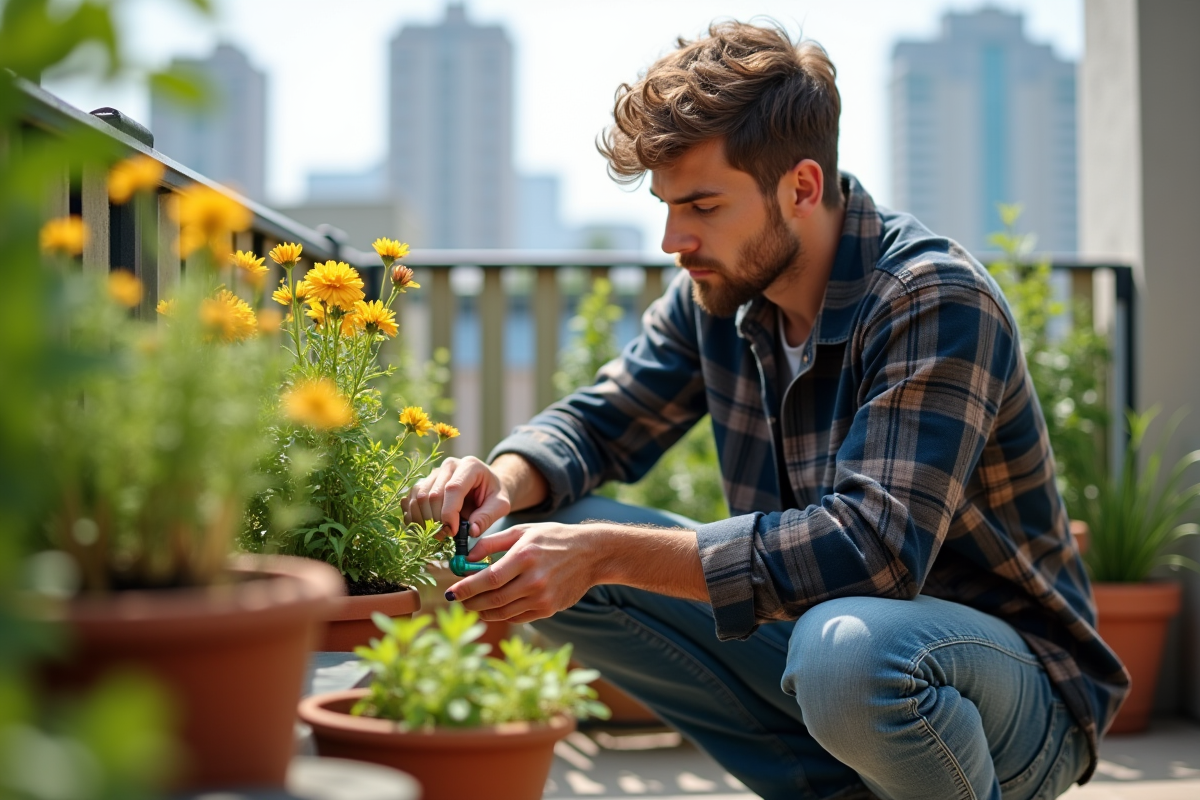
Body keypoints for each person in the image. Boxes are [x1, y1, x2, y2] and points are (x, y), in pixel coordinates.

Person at [402, 20, 1128, 800]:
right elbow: (600, 421)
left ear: (802, 188)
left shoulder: (930, 297)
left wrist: (604, 552)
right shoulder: (716, 296)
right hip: (833, 672)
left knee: (847, 652)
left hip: (1009, 697)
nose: (674, 238)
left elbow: (872, 550)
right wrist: (502, 479)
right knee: (539, 536)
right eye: (667, 206)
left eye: (703, 205)